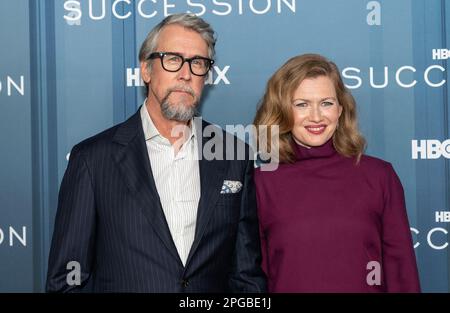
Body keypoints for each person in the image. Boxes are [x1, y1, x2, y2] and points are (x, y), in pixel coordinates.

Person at [46, 13, 266, 293]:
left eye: (197, 63)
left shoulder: (232, 154)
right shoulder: (93, 160)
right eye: (173, 59)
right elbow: (68, 279)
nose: (186, 73)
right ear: (146, 70)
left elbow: (246, 277)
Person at [253, 53, 420, 292]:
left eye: (326, 103)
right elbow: (254, 279)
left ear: (341, 109)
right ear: (282, 111)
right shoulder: (262, 183)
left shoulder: (379, 176)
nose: (316, 116)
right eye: (301, 104)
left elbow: (401, 271)